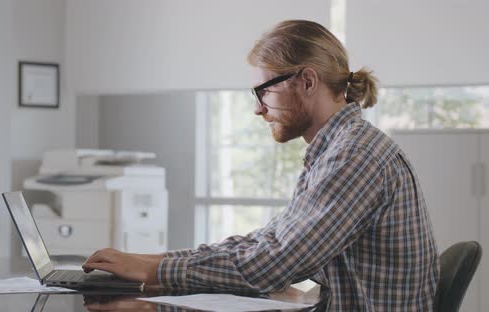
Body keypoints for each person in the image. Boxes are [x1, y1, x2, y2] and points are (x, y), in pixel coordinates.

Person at [82, 20, 439, 311]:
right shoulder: (336, 151)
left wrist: (157, 269)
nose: (258, 108)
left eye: (263, 91)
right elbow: (268, 241)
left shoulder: (355, 156)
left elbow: (275, 265)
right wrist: (154, 259)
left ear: (308, 81)